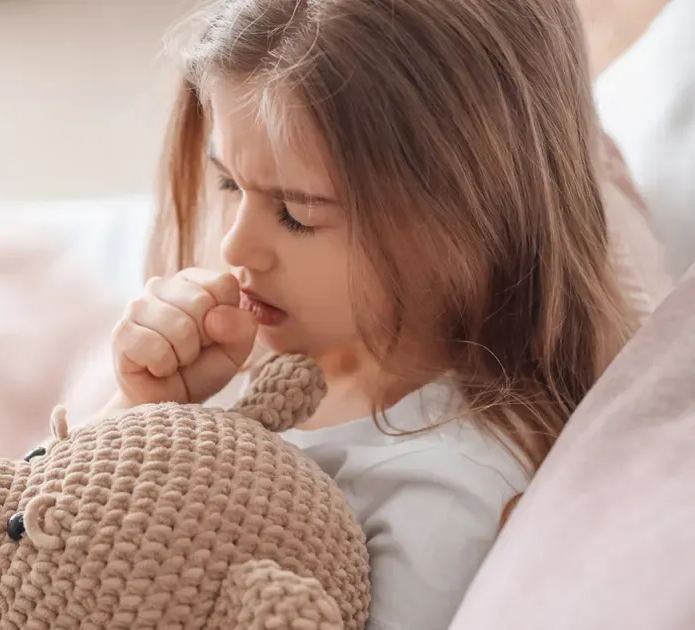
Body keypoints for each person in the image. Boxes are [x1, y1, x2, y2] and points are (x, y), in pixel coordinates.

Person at [103, 1, 640, 628]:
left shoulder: (443, 490)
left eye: (296, 213)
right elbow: (16, 547)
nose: (234, 247)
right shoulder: (251, 355)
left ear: (464, 220)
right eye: (229, 184)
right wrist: (138, 412)